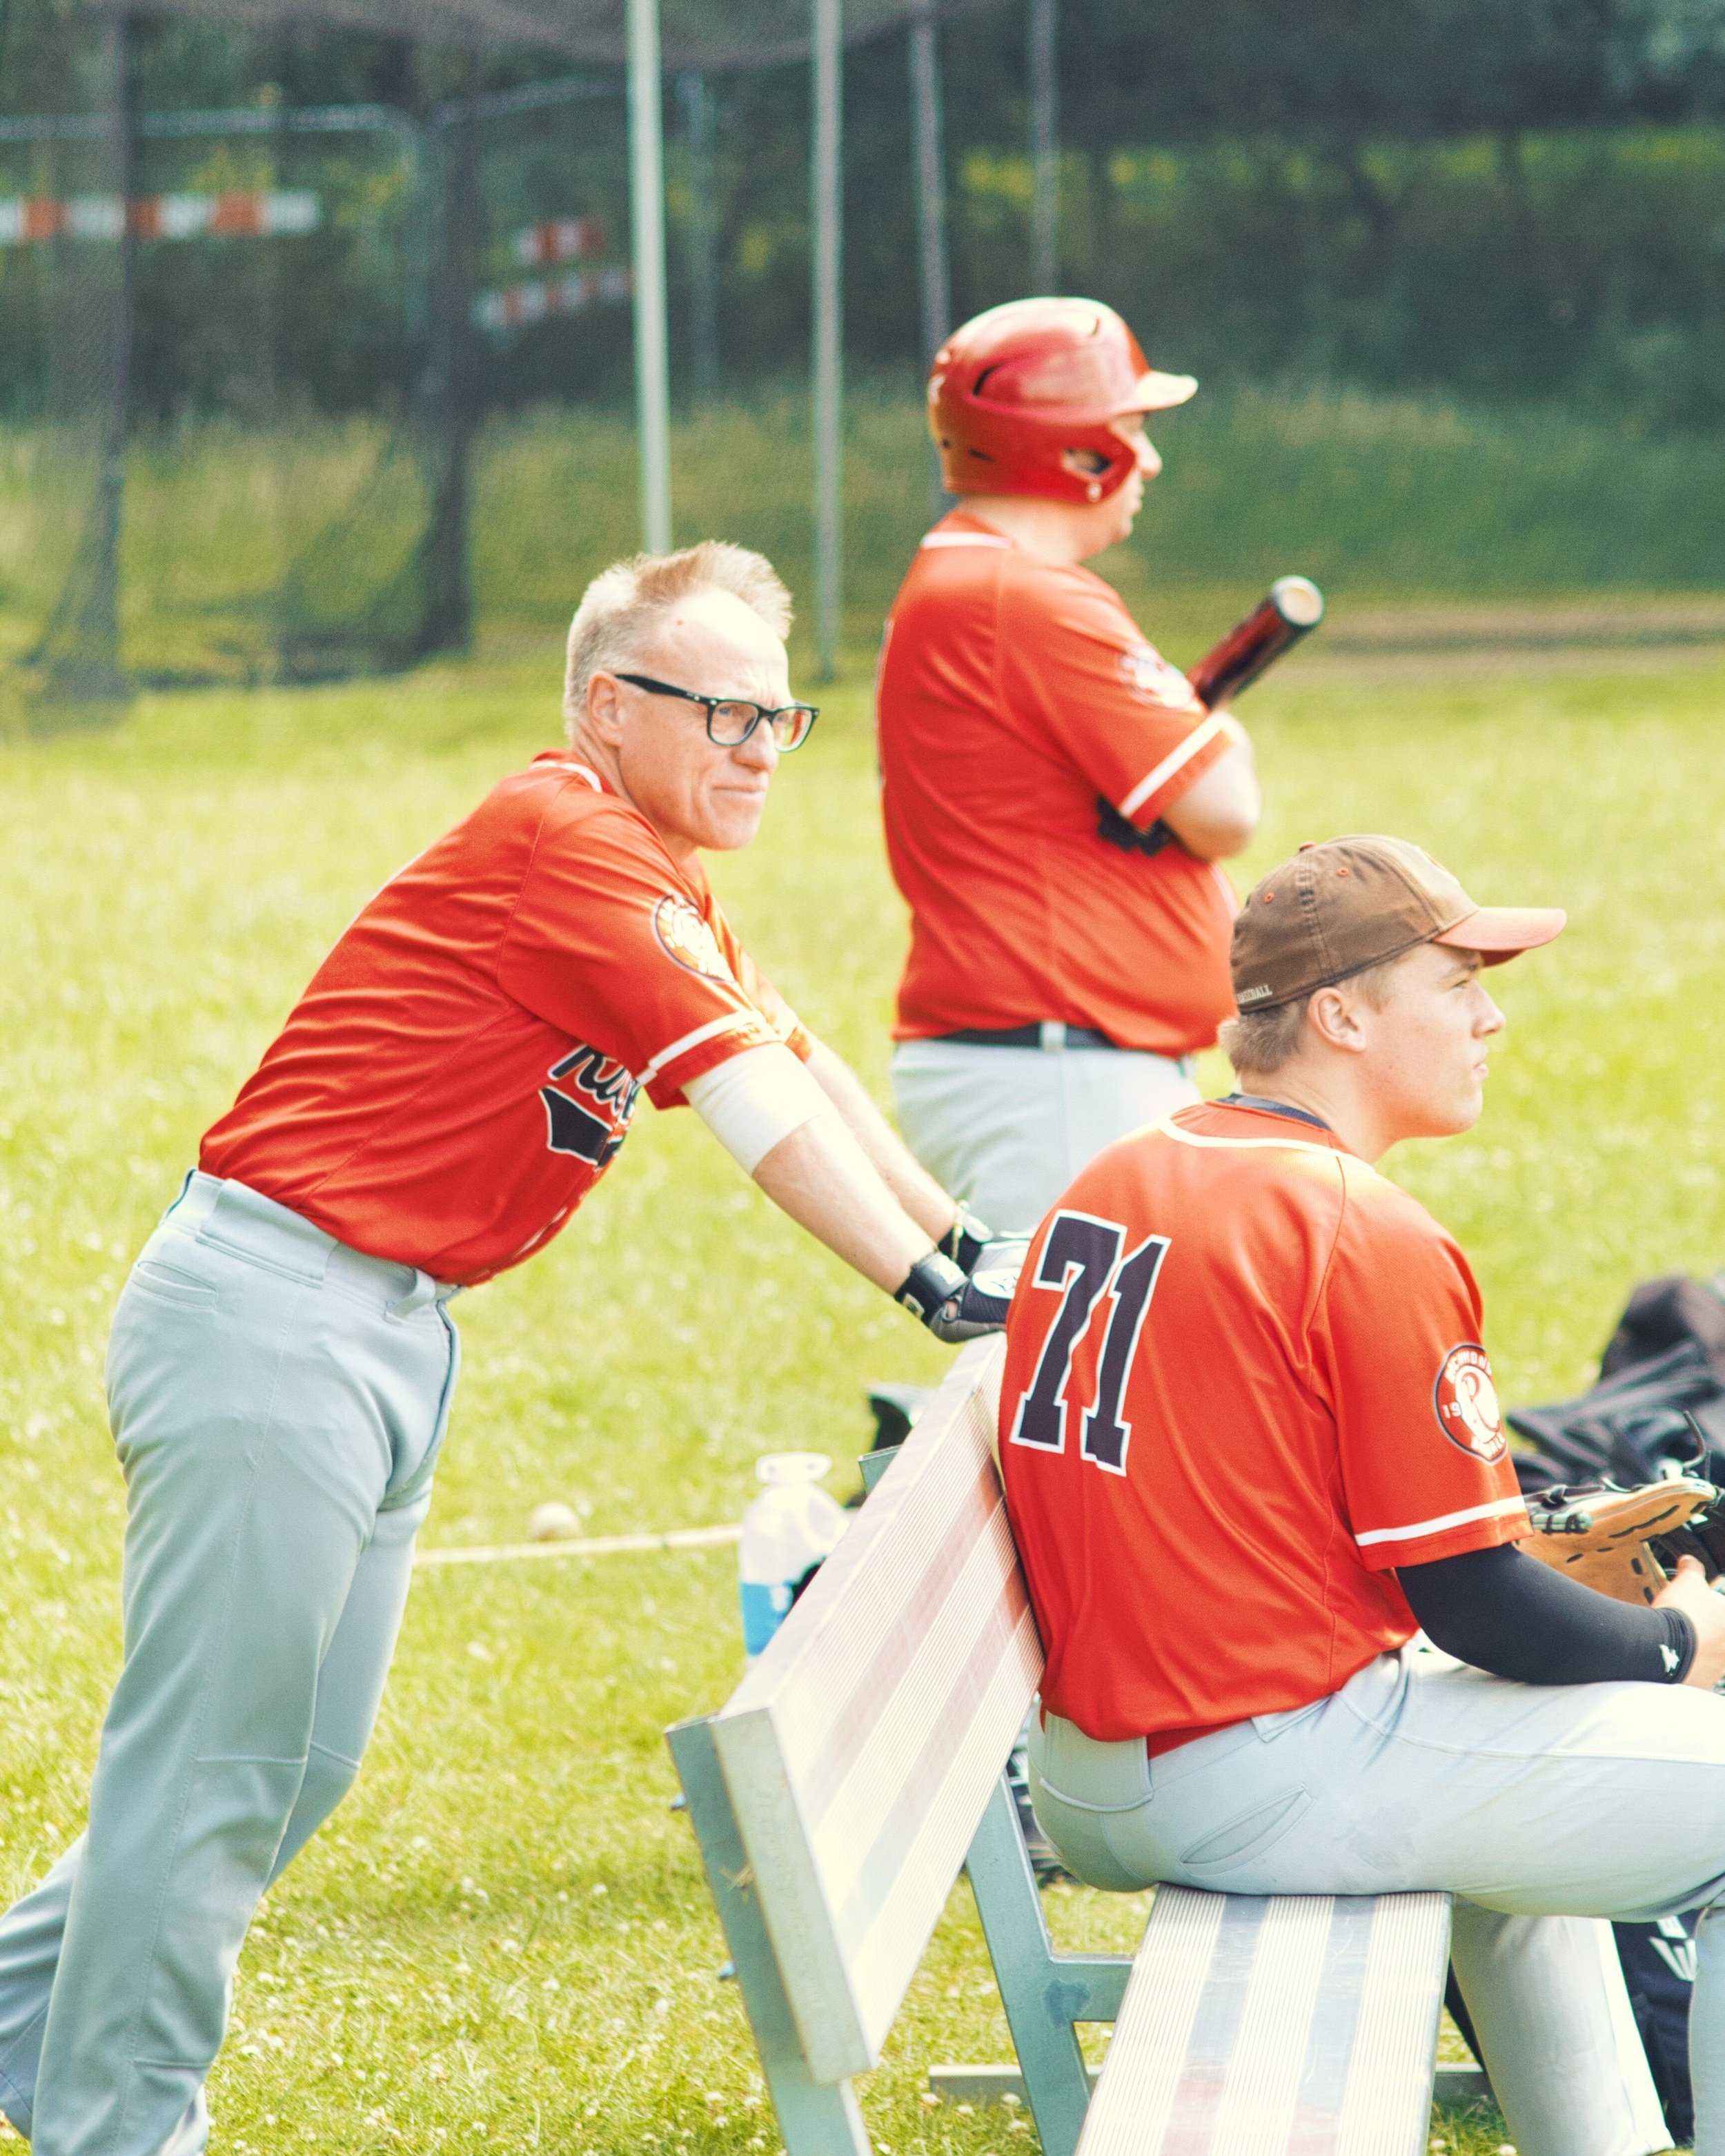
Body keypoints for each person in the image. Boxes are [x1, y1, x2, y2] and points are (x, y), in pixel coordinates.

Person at [0, 542, 1009, 2156]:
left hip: (385, 1333)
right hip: (280, 1316)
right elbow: (750, 1112)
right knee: (212, 1775)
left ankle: (17, 2033)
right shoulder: (567, 837)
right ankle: (121, 2129)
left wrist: (961, 1246)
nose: (760, 745)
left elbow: (796, 1059)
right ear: (610, 705)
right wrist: (920, 1288)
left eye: (781, 715)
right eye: (725, 710)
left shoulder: (654, 868)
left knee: (291, 1769)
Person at [998, 833, 1725, 2156]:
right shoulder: (1357, 1225)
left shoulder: (1119, 1171)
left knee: (1517, 1853)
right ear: (1341, 1015)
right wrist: (1679, 1644)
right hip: (1256, 1763)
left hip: (1101, 1762)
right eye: (1456, 984)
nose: (1492, 1014)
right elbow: (1472, 1608)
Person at [875, 295, 1264, 1236]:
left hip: (1048, 1054)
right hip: (1050, 1060)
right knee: (1078, 1370)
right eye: (1131, 427)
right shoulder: (1023, 593)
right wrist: (1228, 737)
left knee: (1068, 1365)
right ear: (1075, 446)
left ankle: (954, 1399)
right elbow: (1224, 808)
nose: (1151, 458)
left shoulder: (974, 578)